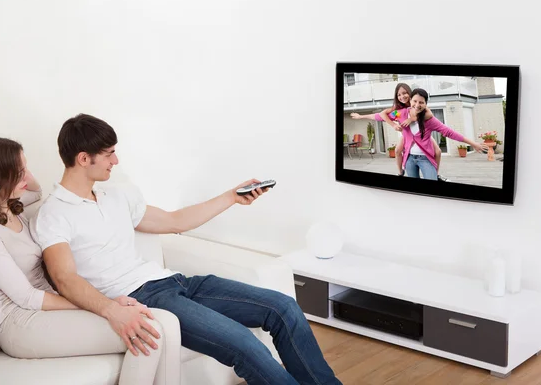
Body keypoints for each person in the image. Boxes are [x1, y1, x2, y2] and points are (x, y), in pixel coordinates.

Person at [30, 114, 342, 385]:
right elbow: (65, 278)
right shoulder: (55, 213)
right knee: (243, 345)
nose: (116, 161)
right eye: (109, 154)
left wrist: (232, 196)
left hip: (177, 283)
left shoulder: (115, 196)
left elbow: (174, 220)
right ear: (84, 159)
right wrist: (113, 311)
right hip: (144, 299)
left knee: (283, 308)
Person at [0, 136, 178, 385]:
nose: (26, 176)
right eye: (18, 172)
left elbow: (36, 190)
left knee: (159, 324)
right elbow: (26, 297)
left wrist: (18, 165)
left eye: (25, 168)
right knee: (147, 333)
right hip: (17, 322)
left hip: (45, 310)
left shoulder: (8, 207)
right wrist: (105, 304)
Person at [349, 82, 446, 180]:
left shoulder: (418, 102)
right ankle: (400, 172)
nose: (402, 96)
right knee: (397, 150)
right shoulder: (398, 110)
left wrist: (411, 119)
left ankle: (436, 174)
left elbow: (429, 115)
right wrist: (362, 116)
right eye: (399, 95)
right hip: (407, 135)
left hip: (422, 134)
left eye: (404, 93)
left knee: (438, 151)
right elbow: (381, 115)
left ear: (410, 93)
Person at [397, 88, 487, 180]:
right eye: (415, 101)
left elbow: (450, 133)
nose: (417, 105)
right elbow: (383, 116)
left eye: (421, 102)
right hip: (409, 159)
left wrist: (473, 144)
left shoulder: (430, 120)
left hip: (425, 159)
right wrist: (393, 124)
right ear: (410, 100)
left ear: (426, 104)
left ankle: (437, 175)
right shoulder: (401, 113)